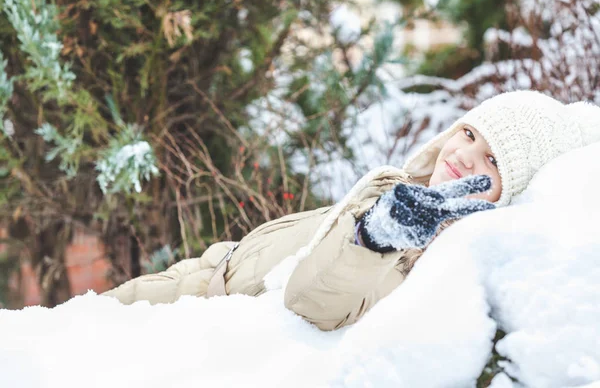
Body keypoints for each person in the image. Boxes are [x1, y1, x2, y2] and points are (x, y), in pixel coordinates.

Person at [102, 90, 600, 331]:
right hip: (190, 280)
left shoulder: (427, 248)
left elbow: (315, 303)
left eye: (492, 160)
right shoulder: (399, 187)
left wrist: (379, 237)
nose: (465, 153)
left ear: (507, 193)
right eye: (469, 132)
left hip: (197, 322)